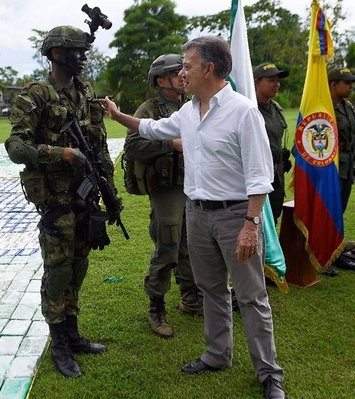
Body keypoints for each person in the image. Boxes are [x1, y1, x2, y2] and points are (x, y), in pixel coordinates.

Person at [100, 36, 285, 399]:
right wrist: (117, 113)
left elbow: (260, 175)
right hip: (197, 215)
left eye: (187, 65)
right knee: (211, 290)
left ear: (209, 69)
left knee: (251, 297)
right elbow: (151, 130)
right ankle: (217, 354)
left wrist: (251, 224)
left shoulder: (243, 111)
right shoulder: (186, 112)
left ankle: (269, 373)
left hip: (235, 216)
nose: (182, 73)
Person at [4, 25, 116, 378]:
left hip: (86, 195)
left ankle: (73, 332)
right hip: (56, 198)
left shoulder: (85, 92)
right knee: (59, 270)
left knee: (79, 265)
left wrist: (108, 184)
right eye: (75, 51)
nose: (83, 57)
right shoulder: (35, 95)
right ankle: (59, 344)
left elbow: (99, 144)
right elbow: (16, 147)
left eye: (84, 51)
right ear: (55, 54)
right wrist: (61, 153)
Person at [123, 54, 202, 339]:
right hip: (167, 189)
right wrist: (172, 145)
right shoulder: (149, 109)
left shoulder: (192, 104)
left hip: (193, 185)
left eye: (184, 70)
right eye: (175, 72)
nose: (183, 75)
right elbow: (132, 147)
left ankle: (191, 297)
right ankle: (156, 306)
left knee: (191, 244)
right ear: (160, 80)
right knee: (168, 244)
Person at [253, 62, 291, 225]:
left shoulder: (277, 109)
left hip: (277, 174)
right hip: (258, 174)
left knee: (273, 217)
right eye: (271, 80)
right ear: (256, 82)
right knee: (258, 220)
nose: (276, 84)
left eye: (277, 80)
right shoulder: (250, 109)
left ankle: (269, 251)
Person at [329, 67, 355, 272]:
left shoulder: (347, 106)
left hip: (347, 166)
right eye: (346, 82)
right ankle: (325, 256)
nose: (350, 86)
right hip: (332, 167)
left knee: (340, 211)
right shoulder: (325, 108)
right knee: (329, 211)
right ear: (333, 84)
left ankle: (336, 252)